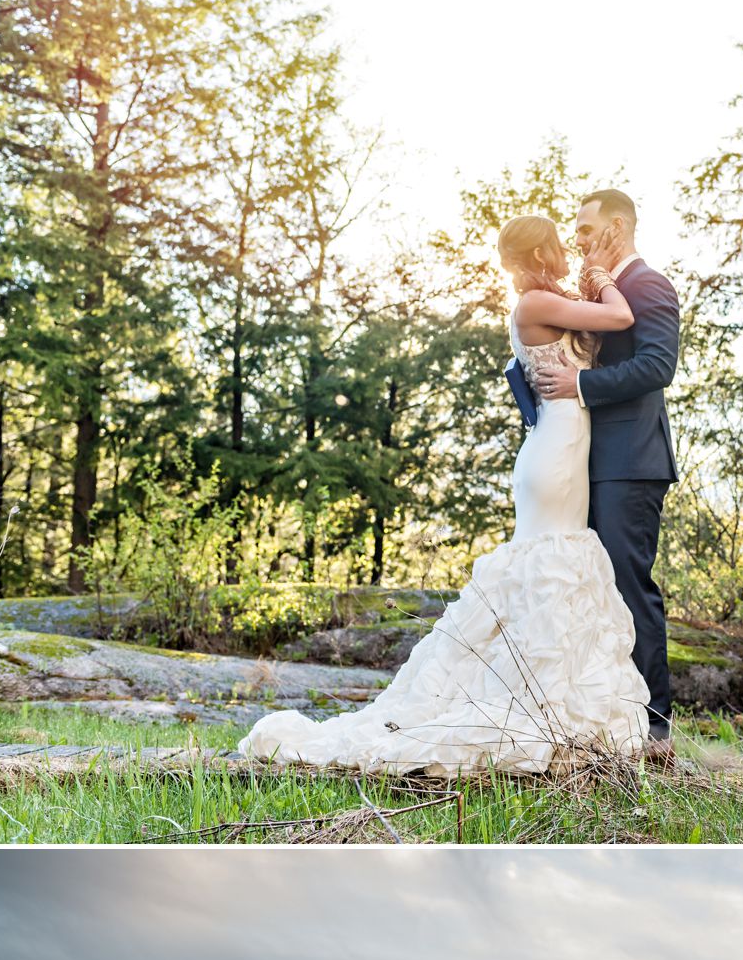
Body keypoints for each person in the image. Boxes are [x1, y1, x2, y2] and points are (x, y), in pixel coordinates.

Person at [238, 212, 651, 776]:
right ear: (535, 257)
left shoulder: (550, 299)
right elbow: (621, 315)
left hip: (569, 446)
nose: (564, 251)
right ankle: (533, 700)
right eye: (556, 244)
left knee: (556, 567)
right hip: (554, 451)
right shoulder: (532, 305)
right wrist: (602, 276)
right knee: (549, 563)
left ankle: (556, 695)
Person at [515, 191, 679, 759]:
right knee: (589, 591)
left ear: (616, 226)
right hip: (585, 462)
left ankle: (655, 729)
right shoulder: (594, 289)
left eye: (585, 230)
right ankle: (601, 716)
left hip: (630, 461)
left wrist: (581, 386)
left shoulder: (648, 284)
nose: (578, 239)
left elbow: (658, 366)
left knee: (630, 589)